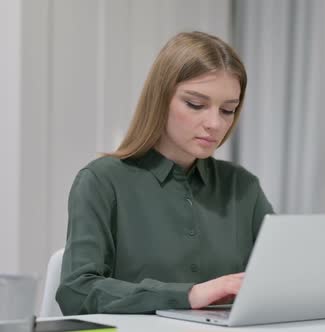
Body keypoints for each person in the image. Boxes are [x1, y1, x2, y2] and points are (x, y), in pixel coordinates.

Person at [56, 31, 274, 315]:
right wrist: (190, 295)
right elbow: (76, 291)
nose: (214, 123)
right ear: (160, 98)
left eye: (227, 110)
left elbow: (282, 279)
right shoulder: (102, 181)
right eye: (196, 105)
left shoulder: (243, 186)